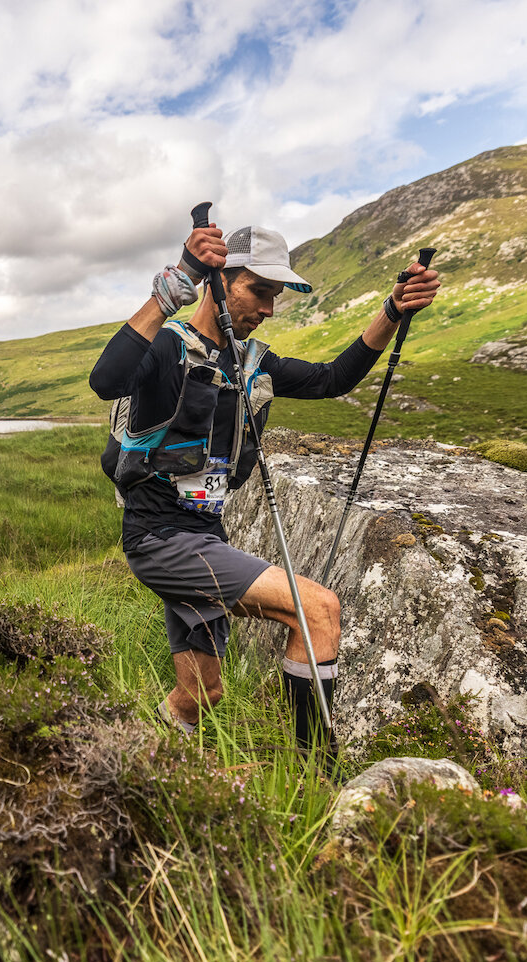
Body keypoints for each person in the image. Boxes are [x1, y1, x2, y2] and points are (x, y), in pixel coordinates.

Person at [89, 219, 440, 755]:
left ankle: (131, 763)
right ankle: (315, 779)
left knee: (200, 695)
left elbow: (332, 380)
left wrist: (392, 310)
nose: (270, 308)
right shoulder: (166, 349)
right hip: (161, 539)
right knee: (317, 610)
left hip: (205, 537)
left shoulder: (253, 362)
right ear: (218, 282)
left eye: (276, 296)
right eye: (259, 291)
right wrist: (173, 284)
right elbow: (106, 380)